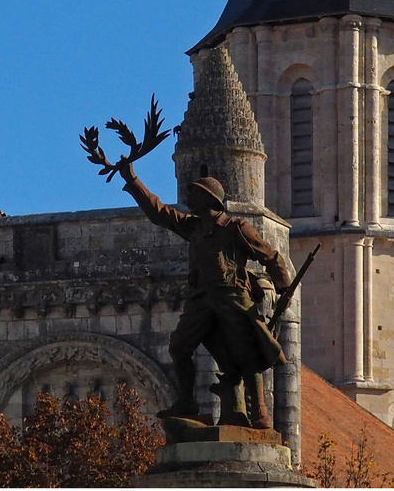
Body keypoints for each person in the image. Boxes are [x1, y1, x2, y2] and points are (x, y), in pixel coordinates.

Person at [119, 162, 294, 430]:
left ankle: (259, 411)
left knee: (246, 353)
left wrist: (283, 287)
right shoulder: (193, 228)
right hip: (201, 299)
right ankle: (186, 401)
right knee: (179, 345)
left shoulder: (236, 228)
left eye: (195, 193)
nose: (189, 199)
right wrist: (133, 181)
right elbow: (159, 212)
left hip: (232, 296)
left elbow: (270, 256)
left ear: (211, 199)